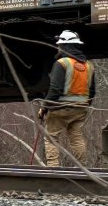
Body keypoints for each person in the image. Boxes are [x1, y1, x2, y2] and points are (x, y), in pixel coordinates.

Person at [41, 30, 96, 167]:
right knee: (76, 138)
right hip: (80, 109)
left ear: (64, 46)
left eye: (59, 45)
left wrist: (44, 107)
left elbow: (55, 89)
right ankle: (82, 168)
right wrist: (84, 105)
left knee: (51, 136)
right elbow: (92, 92)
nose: (58, 47)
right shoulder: (89, 65)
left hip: (61, 108)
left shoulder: (62, 63)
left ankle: (53, 169)